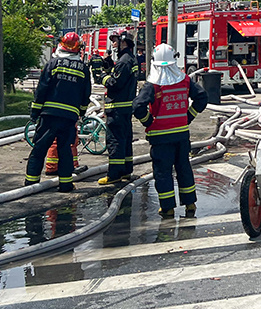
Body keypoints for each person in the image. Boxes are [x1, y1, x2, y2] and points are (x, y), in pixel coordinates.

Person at [133, 43, 207, 219]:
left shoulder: (153, 85)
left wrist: (148, 122)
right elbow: (202, 97)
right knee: (184, 168)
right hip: (181, 135)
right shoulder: (185, 80)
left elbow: (137, 106)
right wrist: (188, 117)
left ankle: (167, 208)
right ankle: (190, 204)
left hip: (160, 138)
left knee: (163, 173)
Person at [24, 32, 91, 192]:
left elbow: (42, 89)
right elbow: (85, 95)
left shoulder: (52, 64)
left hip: (49, 116)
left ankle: (31, 184)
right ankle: (66, 185)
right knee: (65, 150)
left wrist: (35, 113)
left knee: (40, 148)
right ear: (78, 48)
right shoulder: (83, 68)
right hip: (69, 118)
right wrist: (81, 113)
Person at [98, 33, 138, 186]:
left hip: (116, 108)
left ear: (124, 43)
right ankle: (126, 170)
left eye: (116, 41)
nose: (113, 44)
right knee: (125, 140)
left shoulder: (124, 61)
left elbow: (115, 83)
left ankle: (114, 175)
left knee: (115, 141)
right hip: (126, 108)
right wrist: (110, 66)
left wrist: (102, 77)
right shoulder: (130, 59)